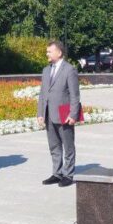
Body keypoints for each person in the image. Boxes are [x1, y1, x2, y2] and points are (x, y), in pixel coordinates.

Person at [37, 40, 80, 187]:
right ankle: (57, 173)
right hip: (49, 113)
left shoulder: (70, 70)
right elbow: (43, 93)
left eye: (49, 51)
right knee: (54, 146)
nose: (47, 53)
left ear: (59, 53)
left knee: (68, 146)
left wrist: (73, 115)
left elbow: (75, 95)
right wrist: (40, 113)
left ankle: (68, 174)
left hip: (64, 113)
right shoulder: (46, 70)